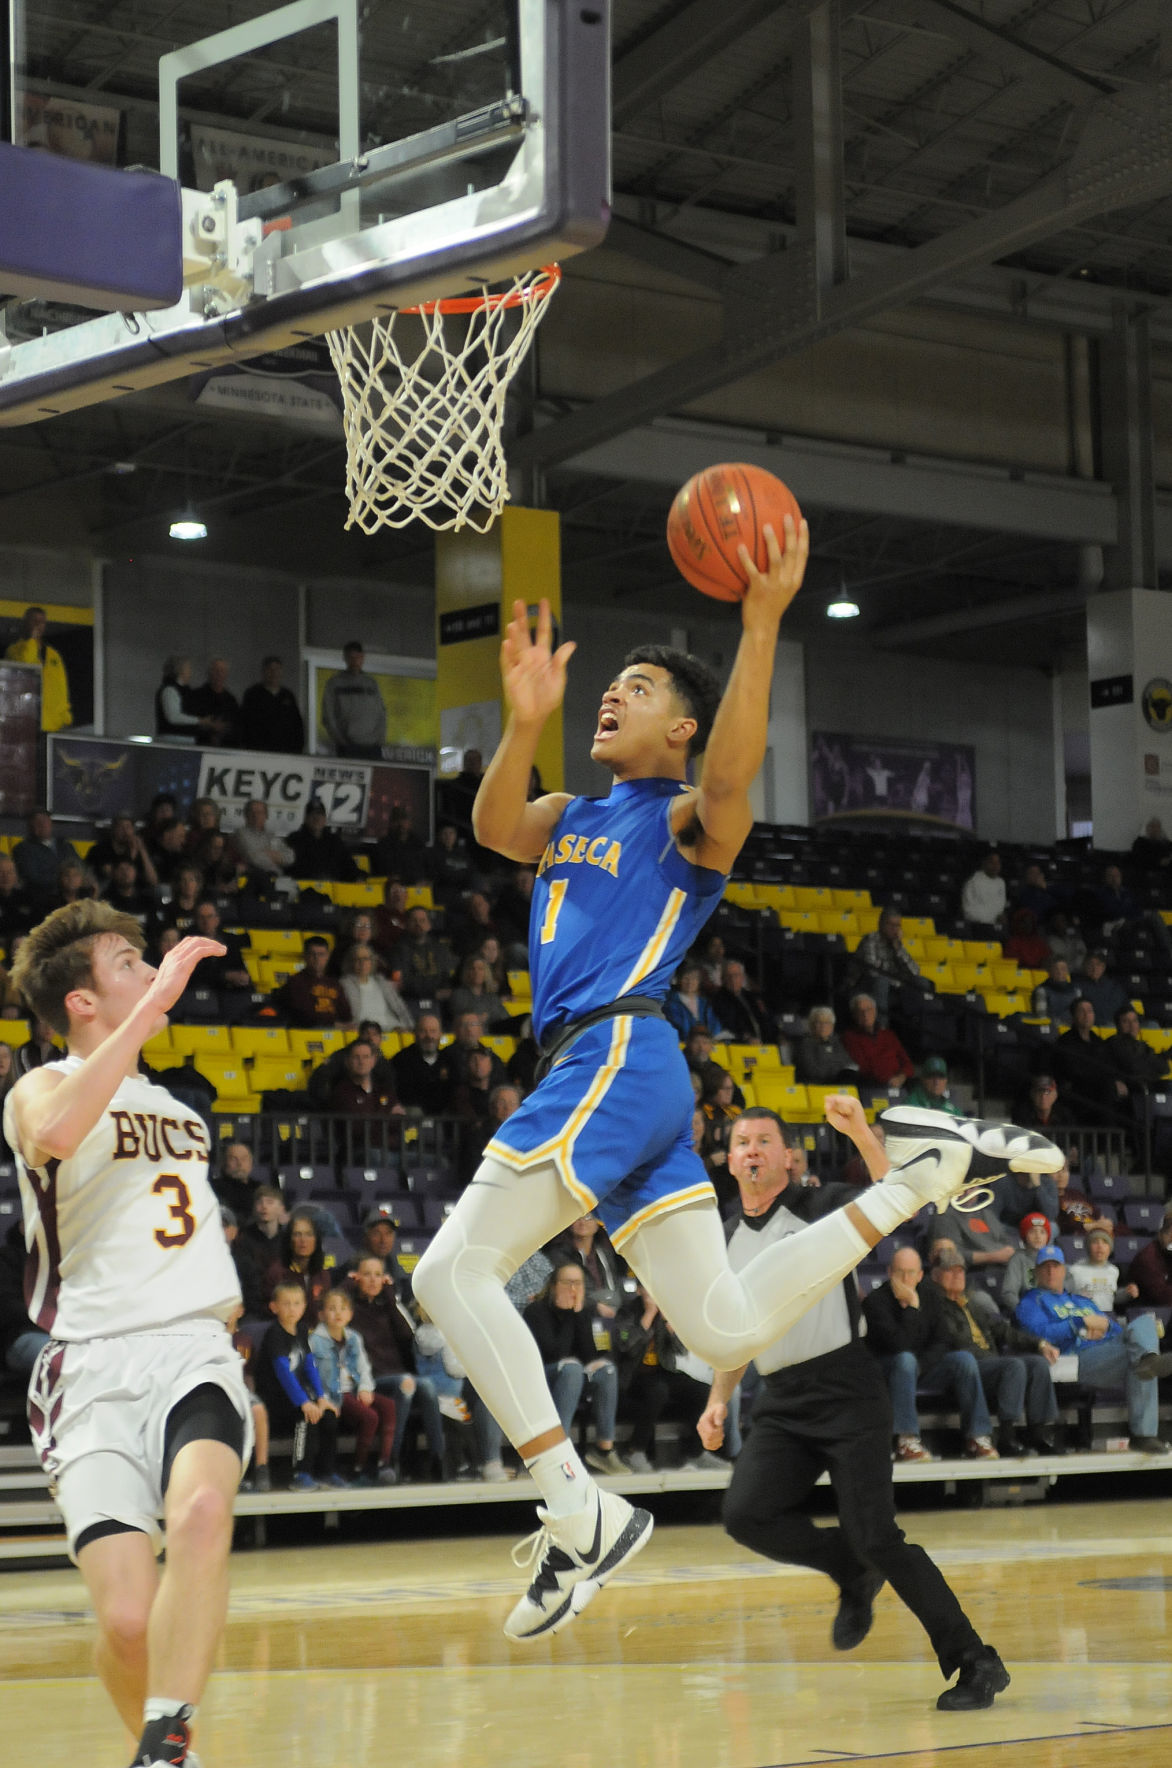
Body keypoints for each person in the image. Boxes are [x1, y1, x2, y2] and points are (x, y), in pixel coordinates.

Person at [410, 543, 1063, 1642]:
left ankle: (576, 1509)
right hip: (622, 1076)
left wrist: (759, 618)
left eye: (642, 689)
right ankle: (918, 1177)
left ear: (680, 728)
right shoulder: (571, 807)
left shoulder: (683, 820)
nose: (612, 693)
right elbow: (487, 828)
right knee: (718, 1333)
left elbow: (727, 776)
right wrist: (521, 722)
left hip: (614, 1054)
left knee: (448, 1270)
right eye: (608, 684)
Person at [2, 902, 250, 1768]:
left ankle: (166, 1745)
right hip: (91, 1368)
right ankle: (163, 1741)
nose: (151, 972)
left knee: (204, 1510)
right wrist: (155, 1007)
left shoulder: (182, 1110)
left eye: (151, 963)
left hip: (192, 1350)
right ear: (80, 1000)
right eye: (128, 963)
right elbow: (59, 1132)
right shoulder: (37, 1088)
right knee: (129, 1620)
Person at [698, 1099, 1012, 1711]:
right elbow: (736, 1331)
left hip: (847, 1390)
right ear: (731, 1160)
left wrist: (862, 1133)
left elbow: (896, 1193)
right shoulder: (724, 1238)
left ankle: (977, 1662)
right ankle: (850, 1570)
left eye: (765, 1140)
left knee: (879, 1536)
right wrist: (718, 1400)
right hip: (782, 1402)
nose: (753, 1150)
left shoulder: (819, 1207)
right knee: (745, 1515)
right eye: (742, 1142)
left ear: (788, 1156)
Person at [1014, 1247, 1172, 1454]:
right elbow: (1037, 1332)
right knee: (1139, 1357)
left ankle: (1149, 1359)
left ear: (1064, 1271)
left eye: (1055, 1266)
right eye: (1045, 1268)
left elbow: (1115, 1330)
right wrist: (1080, 1324)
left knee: (1144, 1325)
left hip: (1107, 1350)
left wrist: (1103, 1329)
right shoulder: (1031, 1302)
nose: (1051, 1272)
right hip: (1076, 1358)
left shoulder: (1082, 1301)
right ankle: (1143, 1434)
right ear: (1036, 1272)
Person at [863, 1245, 1004, 1462]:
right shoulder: (876, 1302)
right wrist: (911, 1308)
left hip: (921, 1366)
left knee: (963, 1359)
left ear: (920, 1275)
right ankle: (905, 1440)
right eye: (900, 1272)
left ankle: (977, 1437)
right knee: (906, 1360)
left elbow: (942, 1341)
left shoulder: (930, 1296)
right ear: (890, 1272)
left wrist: (921, 1365)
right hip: (888, 1370)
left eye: (911, 1273)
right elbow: (899, 1344)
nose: (905, 1278)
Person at [927, 1247, 1061, 1457]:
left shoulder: (970, 1304)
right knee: (1012, 1365)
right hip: (963, 1367)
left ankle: (1039, 1432)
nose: (957, 1276)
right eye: (950, 1271)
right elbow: (951, 1341)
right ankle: (1006, 1437)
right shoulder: (933, 1306)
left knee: (1038, 1364)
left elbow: (1003, 1330)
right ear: (935, 1276)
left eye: (960, 1271)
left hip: (989, 1364)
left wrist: (1039, 1344)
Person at [346, 1254, 445, 1480]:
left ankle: (438, 1458)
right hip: (370, 1380)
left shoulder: (389, 1306)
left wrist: (391, 1300)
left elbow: (407, 1335)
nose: (373, 1280)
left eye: (378, 1275)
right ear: (357, 1278)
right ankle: (391, 1459)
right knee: (406, 1385)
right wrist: (347, 1285)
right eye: (367, 1275)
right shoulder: (350, 1309)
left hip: (397, 1374)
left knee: (427, 1386)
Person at [523, 1264, 626, 1476]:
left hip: (577, 1375)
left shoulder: (590, 1310)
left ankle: (604, 1451)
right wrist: (570, 1316)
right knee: (571, 1368)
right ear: (553, 1286)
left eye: (578, 1283)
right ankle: (558, 1452)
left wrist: (582, 1315)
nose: (573, 1289)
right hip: (545, 1375)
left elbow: (598, 1352)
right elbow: (554, 1352)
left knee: (607, 1370)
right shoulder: (536, 1310)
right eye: (567, 1283)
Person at [253, 1279, 341, 1489]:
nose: (292, 1309)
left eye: (296, 1303)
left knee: (328, 1415)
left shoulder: (301, 1330)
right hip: (275, 1401)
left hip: (298, 1397)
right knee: (306, 1417)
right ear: (274, 1307)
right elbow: (283, 1372)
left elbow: (309, 1366)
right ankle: (300, 1474)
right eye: (286, 1304)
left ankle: (326, 1472)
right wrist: (304, 1402)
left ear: (304, 1306)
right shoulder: (274, 1334)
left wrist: (321, 1398)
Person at [613, 1282, 712, 1472]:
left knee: (702, 1391)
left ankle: (696, 1452)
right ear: (639, 1290)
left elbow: (680, 1350)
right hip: (633, 1375)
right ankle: (636, 1450)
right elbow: (626, 1347)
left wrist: (669, 1324)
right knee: (657, 1391)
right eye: (648, 1289)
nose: (653, 1295)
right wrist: (648, 1316)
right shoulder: (627, 1311)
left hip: (662, 1371)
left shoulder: (666, 1310)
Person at [309, 1287, 397, 1485]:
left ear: (350, 1314)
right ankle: (358, 1467)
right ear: (322, 1314)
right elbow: (312, 1374)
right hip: (335, 1393)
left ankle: (385, 1462)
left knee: (389, 1406)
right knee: (370, 1416)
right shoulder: (315, 1340)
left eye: (343, 1308)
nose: (338, 1313)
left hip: (355, 1389)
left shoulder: (354, 1338)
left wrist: (366, 1387)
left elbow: (363, 1367)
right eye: (332, 1308)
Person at [843, 907, 925, 1015]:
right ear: (881, 924)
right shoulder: (870, 940)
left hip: (890, 987)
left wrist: (898, 949)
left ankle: (918, 1023)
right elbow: (872, 972)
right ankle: (881, 1026)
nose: (895, 929)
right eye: (891, 925)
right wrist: (898, 981)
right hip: (862, 986)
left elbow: (915, 971)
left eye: (897, 925)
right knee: (881, 980)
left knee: (920, 981)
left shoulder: (896, 944)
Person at [5, 604, 71, 730]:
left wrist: (65, 717)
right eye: (34, 621)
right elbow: (26, 664)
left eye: (41, 622)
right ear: (25, 623)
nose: (38, 625)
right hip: (27, 721)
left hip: (53, 723)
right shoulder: (14, 650)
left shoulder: (53, 655)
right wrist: (32, 640)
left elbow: (61, 686)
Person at [322, 641, 386, 759]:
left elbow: (381, 714)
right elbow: (328, 715)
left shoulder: (371, 683)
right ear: (345, 658)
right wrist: (341, 741)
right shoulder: (334, 684)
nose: (354, 661)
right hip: (347, 746)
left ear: (363, 658)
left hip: (373, 747)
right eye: (351, 657)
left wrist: (379, 739)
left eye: (357, 657)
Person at [841, 992, 916, 1089]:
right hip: (873, 1085)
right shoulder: (849, 1037)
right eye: (860, 1011)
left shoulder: (888, 1035)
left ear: (875, 1011)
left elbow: (907, 1063)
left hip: (898, 1082)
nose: (865, 1014)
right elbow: (864, 1068)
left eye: (869, 1009)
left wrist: (901, 1076)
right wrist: (890, 1079)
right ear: (854, 1015)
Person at [274, 936, 349, 1029]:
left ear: (328, 956)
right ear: (305, 956)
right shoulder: (295, 982)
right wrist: (332, 1024)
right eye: (312, 954)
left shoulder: (334, 984)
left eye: (321, 954)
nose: (317, 958)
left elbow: (346, 1014)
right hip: (307, 1030)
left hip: (335, 1031)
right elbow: (305, 1015)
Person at [389, 1011, 456, 1114]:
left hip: (444, 1116)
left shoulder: (449, 1059)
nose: (428, 1036)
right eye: (423, 1031)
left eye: (433, 1031)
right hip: (413, 1114)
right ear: (415, 1034)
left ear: (440, 1034)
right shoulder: (402, 1059)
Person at [13, 809, 81, 908]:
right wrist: (63, 881)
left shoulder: (65, 845)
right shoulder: (23, 849)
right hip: (42, 900)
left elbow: (81, 867)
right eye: (37, 822)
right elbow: (32, 878)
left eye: (45, 821)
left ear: (51, 823)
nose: (42, 825)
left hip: (71, 896)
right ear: (30, 827)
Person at [238, 655, 305, 754]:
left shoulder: (288, 696)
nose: (274, 673)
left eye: (277, 669)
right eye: (270, 669)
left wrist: (297, 749)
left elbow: (297, 726)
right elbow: (244, 723)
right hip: (258, 752)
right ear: (264, 672)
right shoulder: (253, 694)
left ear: (281, 672)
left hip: (285, 752)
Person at [339, 944, 414, 1033]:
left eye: (366, 959)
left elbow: (400, 1008)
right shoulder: (344, 984)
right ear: (351, 962)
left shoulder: (382, 982)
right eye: (357, 959)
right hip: (363, 1031)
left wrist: (410, 1027)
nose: (362, 963)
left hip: (392, 1029)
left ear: (372, 961)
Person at [155, 656, 224, 744]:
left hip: (186, 740)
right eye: (188, 668)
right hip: (173, 740)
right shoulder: (170, 689)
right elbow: (173, 717)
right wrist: (200, 721)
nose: (190, 672)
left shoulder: (186, 691)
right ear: (180, 670)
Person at [709, 957, 777, 1046]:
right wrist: (746, 1037)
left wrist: (778, 1034)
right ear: (722, 979)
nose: (732, 979)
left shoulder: (752, 996)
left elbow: (766, 1017)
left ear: (742, 977)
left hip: (765, 1041)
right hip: (741, 1042)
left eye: (736, 975)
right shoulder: (719, 999)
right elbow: (729, 1023)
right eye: (729, 976)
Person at [1068, 1225, 1135, 1315]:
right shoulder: (1075, 1270)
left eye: (1105, 1242)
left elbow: (1110, 1297)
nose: (1100, 1246)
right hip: (1084, 1318)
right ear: (1088, 1247)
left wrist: (1126, 1293)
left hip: (1107, 1318)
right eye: (1095, 1242)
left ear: (1110, 1248)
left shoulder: (1113, 1271)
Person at [286, 800, 358, 882]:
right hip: (304, 889)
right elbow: (290, 869)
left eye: (320, 814)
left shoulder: (335, 841)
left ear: (325, 818)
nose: (316, 818)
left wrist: (359, 876)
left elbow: (349, 866)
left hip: (335, 889)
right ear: (305, 818)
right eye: (312, 814)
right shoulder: (294, 839)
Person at [1000, 1211, 1057, 1315]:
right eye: (1032, 1232)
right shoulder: (1018, 1259)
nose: (1038, 1236)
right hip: (1027, 1311)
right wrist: (1024, 1312)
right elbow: (1009, 1293)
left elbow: (1067, 1285)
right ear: (1025, 1235)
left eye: (1042, 1232)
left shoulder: (1054, 1258)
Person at [794, 1005, 857, 1085]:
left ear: (832, 1026)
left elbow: (847, 1064)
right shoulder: (804, 1045)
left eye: (827, 1023)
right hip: (815, 1087)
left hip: (838, 1085)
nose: (823, 1026)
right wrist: (837, 1071)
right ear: (811, 1025)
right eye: (819, 1022)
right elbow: (812, 1071)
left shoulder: (839, 1043)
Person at [664, 959, 726, 1041]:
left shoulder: (705, 1003)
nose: (690, 982)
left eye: (694, 978)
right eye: (686, 978)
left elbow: (714, 1024)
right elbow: (678, 1026)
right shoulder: (670, 1003)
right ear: (679, 980)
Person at [232, 799, 294, 880]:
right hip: (253, 877)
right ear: (246, 815)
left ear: (266, 815)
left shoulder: (271, 835)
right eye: (252, 812)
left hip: (275, 877)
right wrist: (275, 857)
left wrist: (264, 853)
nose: (256, 816)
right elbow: (254, 858)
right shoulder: (241, 833)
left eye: (259, 812)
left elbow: (290, 857)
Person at [186, 657, 239, 748]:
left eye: (222, 671)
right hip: (199, 745)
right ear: (209, 673)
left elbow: (236, 724)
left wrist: (223, 729)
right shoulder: (196, 696)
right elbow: (190, 722)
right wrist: (209, 727)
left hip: (226, 747)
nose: (219, 675)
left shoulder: (231, 700)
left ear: (226, 674)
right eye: (216, 671)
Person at [1127, 1203, 1172, 1307]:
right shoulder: (1148, 1258)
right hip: (1150, 1312)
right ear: (1161, 1234)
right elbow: (1164, 1298)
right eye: (1171, 1235)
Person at [960, 850, 1006, 934]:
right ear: (984, 863)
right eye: (992, 862)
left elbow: (1000, 908)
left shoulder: (1001, 882)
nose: (995, 866)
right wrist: (989, 920)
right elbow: (968, 911)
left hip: (995, 928)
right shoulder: (973, 882)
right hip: (977, 927)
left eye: (998, 862)